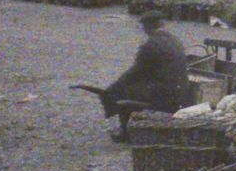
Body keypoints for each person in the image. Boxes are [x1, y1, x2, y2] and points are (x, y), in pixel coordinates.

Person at [82, 10, 193, 141]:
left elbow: (135, 73)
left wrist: (113, 88)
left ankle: (123, 132)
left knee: (115, 95)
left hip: (164, 94)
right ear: (162, 24)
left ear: (147, 27)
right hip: (179, 90)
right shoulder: (175, 40)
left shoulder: (151, 45)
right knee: (132, 89)